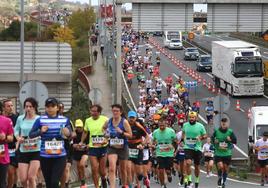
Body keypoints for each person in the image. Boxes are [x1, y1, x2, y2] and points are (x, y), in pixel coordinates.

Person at [29, 97, 72, 188]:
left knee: (54, 182)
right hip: (45, 156)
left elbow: (70, 134)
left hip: (60, 156)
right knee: (48, 183)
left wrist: (67, 132)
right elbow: (31, 134)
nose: (50, 108)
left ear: (57, 108)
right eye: (48, 106)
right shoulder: (40, 120)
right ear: (45, 108)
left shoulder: (64, 120)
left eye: (52, 106)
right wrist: (40, 131)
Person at [103, 104, 132, 188]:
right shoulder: (109, 121)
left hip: (123, 147)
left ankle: (124, 185)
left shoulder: (124, 122)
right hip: (112, 147)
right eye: (113, 111)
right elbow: (103, 128)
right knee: (112, 168)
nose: (115, 112)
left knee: (123, 169)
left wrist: (122, 132)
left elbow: (130, 135)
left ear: (120, 112)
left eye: (117, 111)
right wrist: (105, 134)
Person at [14, 98, 40, 188]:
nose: (28, 109)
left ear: (35, 107)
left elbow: (43, 131)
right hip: (24, 150)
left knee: (31, 177)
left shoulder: (39, 119)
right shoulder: (20, 118)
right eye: (26, 106)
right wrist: (18, 137)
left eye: (30, 106)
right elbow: (16, 130)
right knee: (23, 179)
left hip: (36, 150)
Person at [81, 105, 109, 188]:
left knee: (102, 171)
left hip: (103, 147)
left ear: (99, 112)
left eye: (95, 111)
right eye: (92, 111)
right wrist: (82, 141)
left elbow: (109, 130)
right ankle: (97, 186)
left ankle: (104, 180)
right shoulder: (88, 120)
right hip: (92, 147)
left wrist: (106, 139)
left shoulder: (105, 119)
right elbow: (85, 132)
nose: (93, 113)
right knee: (94, 168)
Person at [182, 111, 207, 188]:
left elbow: (205, 135)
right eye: (190, 117)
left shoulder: (200, 126)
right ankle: (189, 180)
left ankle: (196, 181)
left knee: (196, 166)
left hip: (197, 148)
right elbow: (183, 133)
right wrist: (184, 138)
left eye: (193, 117)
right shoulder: (185, 125)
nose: (191, 119)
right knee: (188, 163)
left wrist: (201, 137)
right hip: (187, 147)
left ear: (196, 118)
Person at [126, 111, 150, 188]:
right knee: (129, 168)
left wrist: (142, 144)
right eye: (130, 118)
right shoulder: (125, 125)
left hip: (137, 149)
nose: (131, 119)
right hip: (128, 149)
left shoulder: (139, 126)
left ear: (135, 118)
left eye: (133, 118)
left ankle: (144, 177)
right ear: (128, 118)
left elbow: (147, 137)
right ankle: (130, 185)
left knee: (139, 172)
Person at [211, 118, 237, 188]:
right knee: (220, 166)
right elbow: (212, 138)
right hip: (218, 153)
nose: (224, 124)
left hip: (227, 153)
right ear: (221, 123)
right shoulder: (216, 131)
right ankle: (219, 177)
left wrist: (230, 139)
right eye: (222, 122)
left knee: (225, 168)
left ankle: (223, 181)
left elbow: (235, 141)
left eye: (225, 122)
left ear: (227, 123)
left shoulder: (230, 132)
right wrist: (214, 141)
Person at [152, 116, 176, 188]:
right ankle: (163, 185)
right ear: (158, 125)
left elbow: (175, 141)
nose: (161, 126)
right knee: (161, 170)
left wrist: (173, 146)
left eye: (163, 125)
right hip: (160, 153)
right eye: (160, 125)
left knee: (168, 169)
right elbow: (154, 141)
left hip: (169, 153)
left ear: (166, 124)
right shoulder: (155, 132)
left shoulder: (171, 131)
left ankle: (169, 174)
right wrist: (153, 147)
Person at [2, 99, 18, 188]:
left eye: (12, 106)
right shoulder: (1, 118)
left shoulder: (16, 118)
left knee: (12, 171)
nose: (11, 108)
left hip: (13, 148)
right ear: (3, 108)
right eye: (8, 106)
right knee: (4, 170)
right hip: (2, 148)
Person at [58, 102, 73, 188]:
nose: (60, 110)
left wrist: (67, 134)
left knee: (65, 167)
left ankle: (65, 184)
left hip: (65, 145)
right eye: (58, 108)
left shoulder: (67, 120)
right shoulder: (48, 120)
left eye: (61, 108)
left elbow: (72, 134)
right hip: (52, 146)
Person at [72, 119, 89, 188]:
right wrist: (74, 145)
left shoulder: (86, 132)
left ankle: (84, 180)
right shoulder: (74, 134)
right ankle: (83, 182)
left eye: (80, 127)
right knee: (79, 168)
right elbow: (71, 143)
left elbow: (90, 143)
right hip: (77, 152)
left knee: (82, 164)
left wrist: (86, 146)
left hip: (85, 152)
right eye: (77, 127)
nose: (79, 128)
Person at [0, 113, 14, 188]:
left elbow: (11, 138)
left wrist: (5, 137)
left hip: (2, 155)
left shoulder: (7, 120)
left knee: (2, 182)